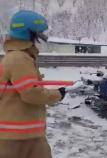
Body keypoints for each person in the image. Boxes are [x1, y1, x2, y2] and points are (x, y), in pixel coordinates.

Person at [0, 10, 66, 158]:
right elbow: (31, 93)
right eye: (39, 34)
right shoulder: (19, 59)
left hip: (21, 135)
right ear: (29, 34)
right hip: (21, 138)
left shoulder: (15, 57)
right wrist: (58, 94)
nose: (40, 39)